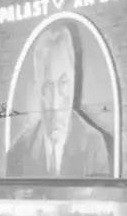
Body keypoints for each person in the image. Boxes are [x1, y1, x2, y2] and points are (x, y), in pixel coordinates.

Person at [7, 25, 110, 178]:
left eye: (63, 83)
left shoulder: (93, 145)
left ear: (74, 83)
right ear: (38, 89)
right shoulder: (18, 151)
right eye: (48, 87)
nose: (55, 104)